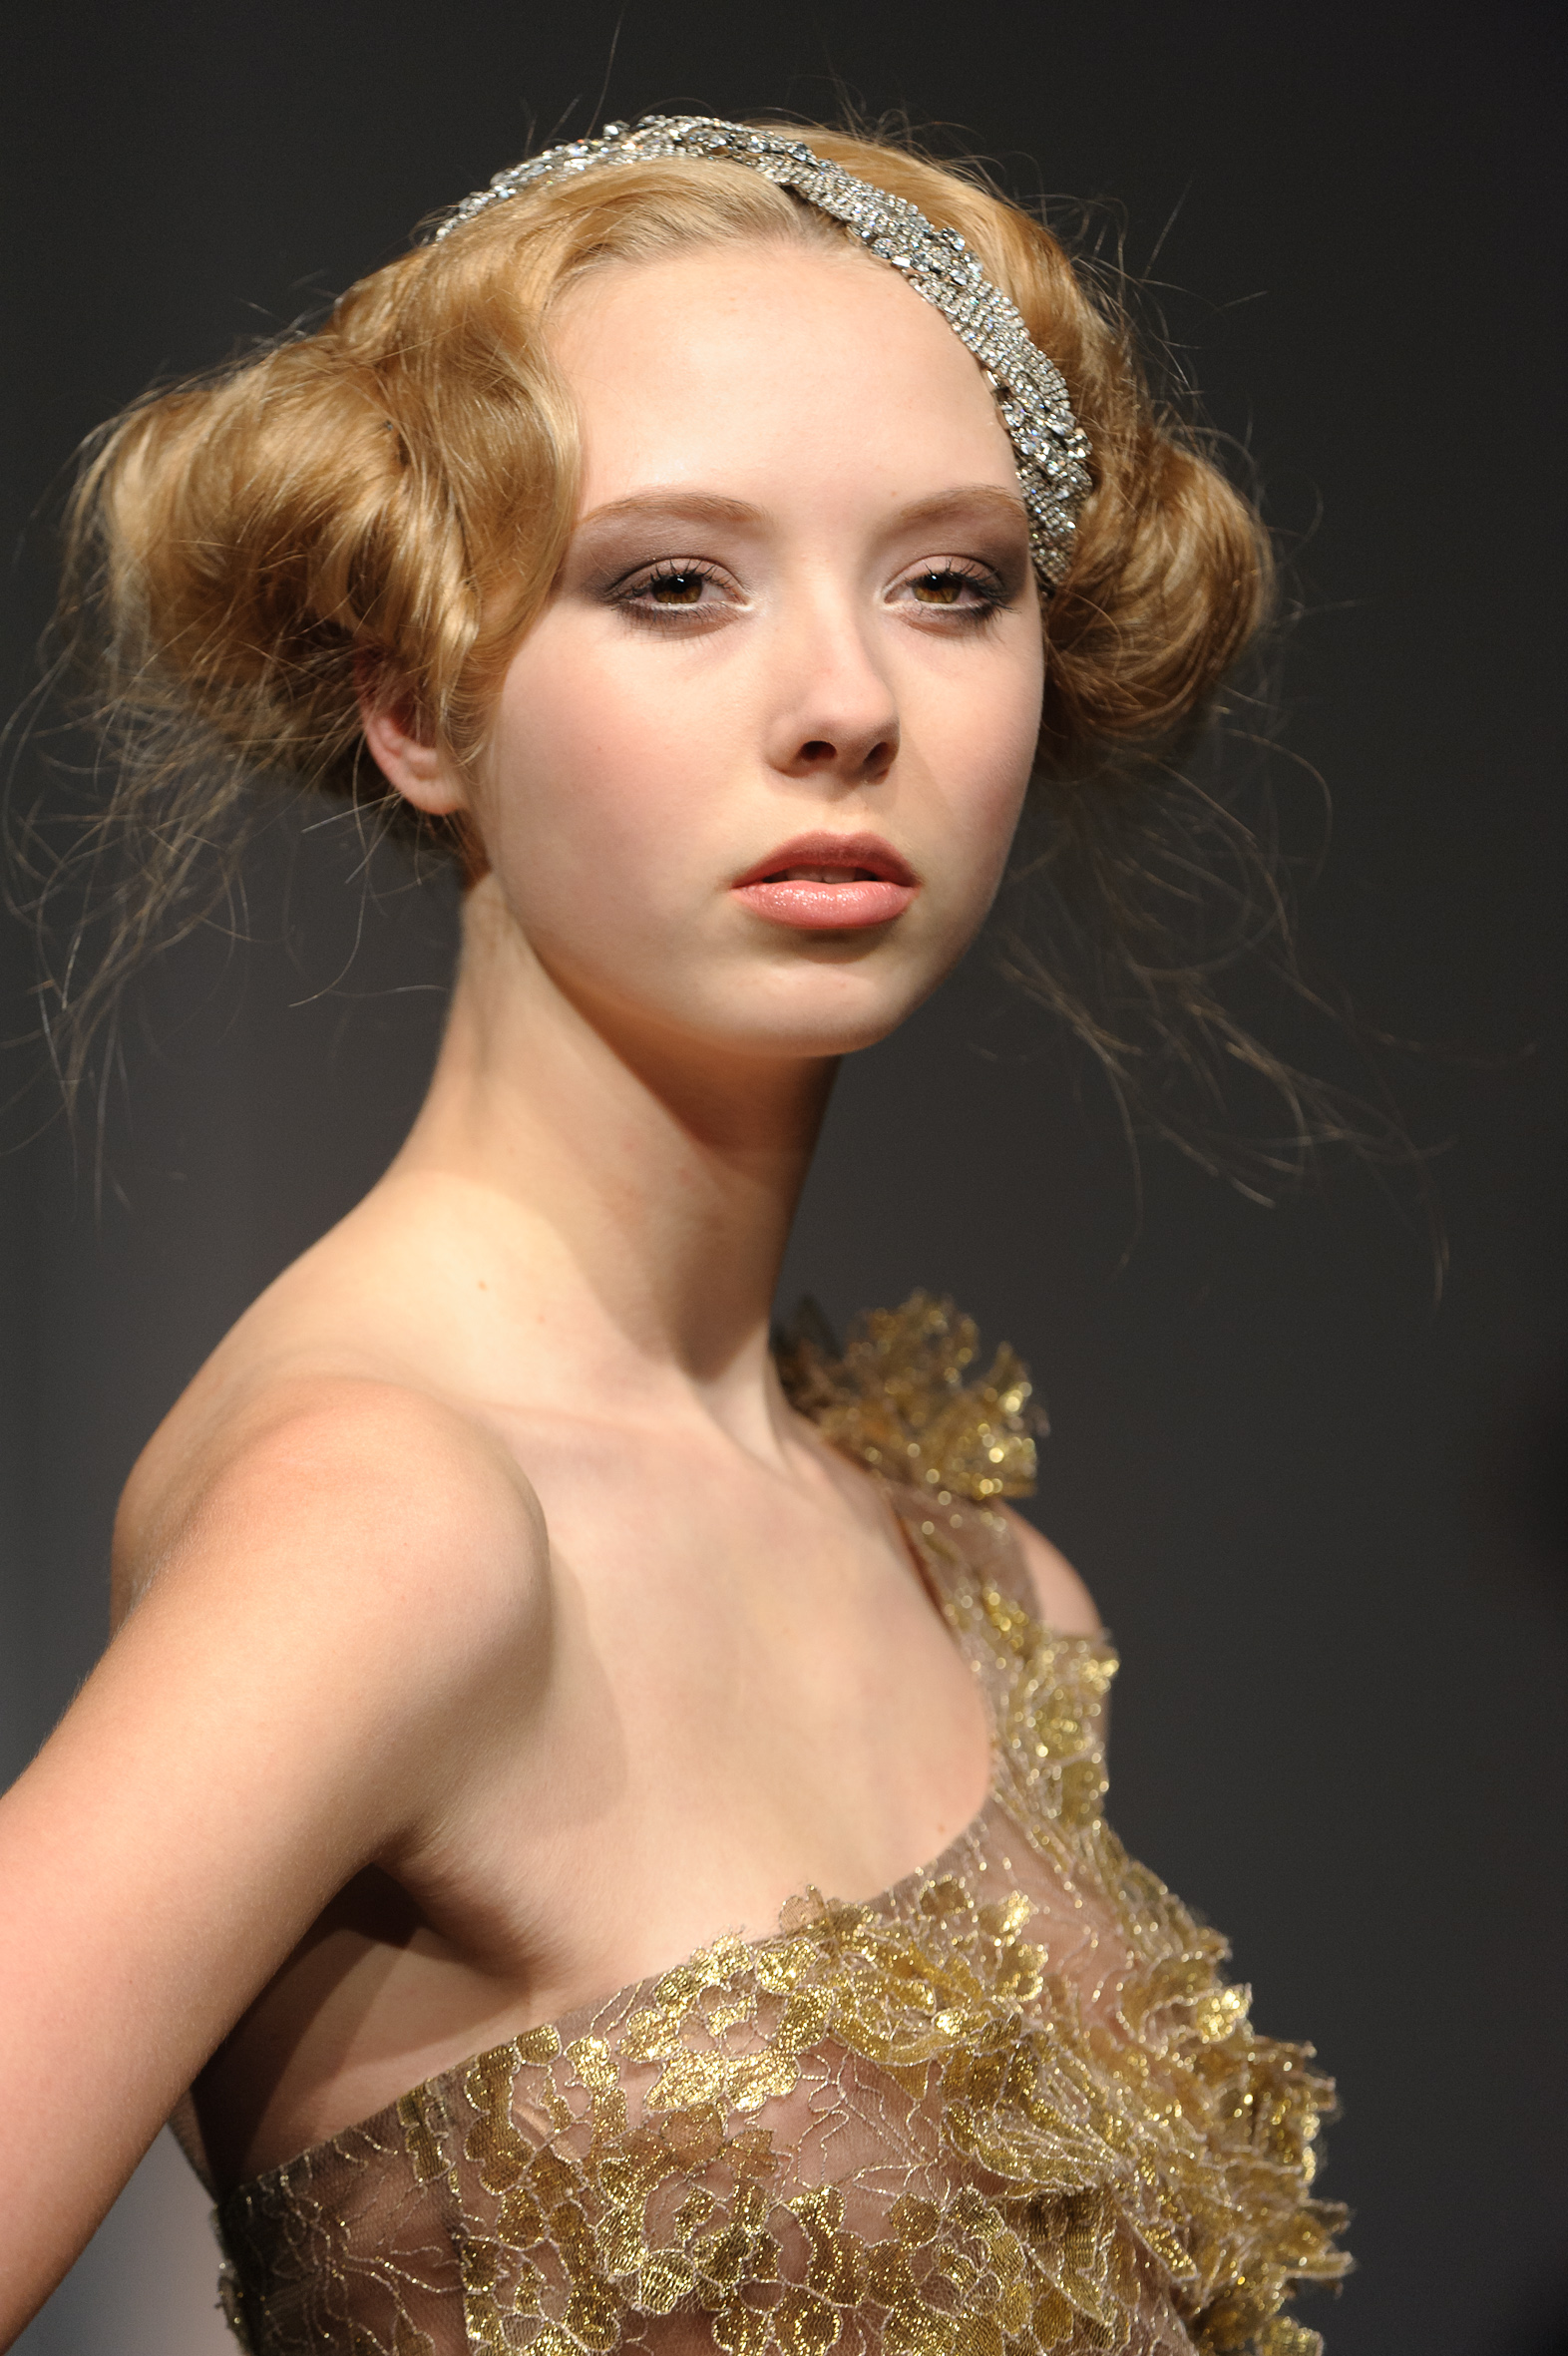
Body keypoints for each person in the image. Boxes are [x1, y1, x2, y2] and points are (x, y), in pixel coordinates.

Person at [0, 116, 1350, 2354]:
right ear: (415, 701)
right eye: (673, 584)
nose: (849, 703)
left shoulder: (989, 1588)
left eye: (952, 582)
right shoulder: (400, 1517)